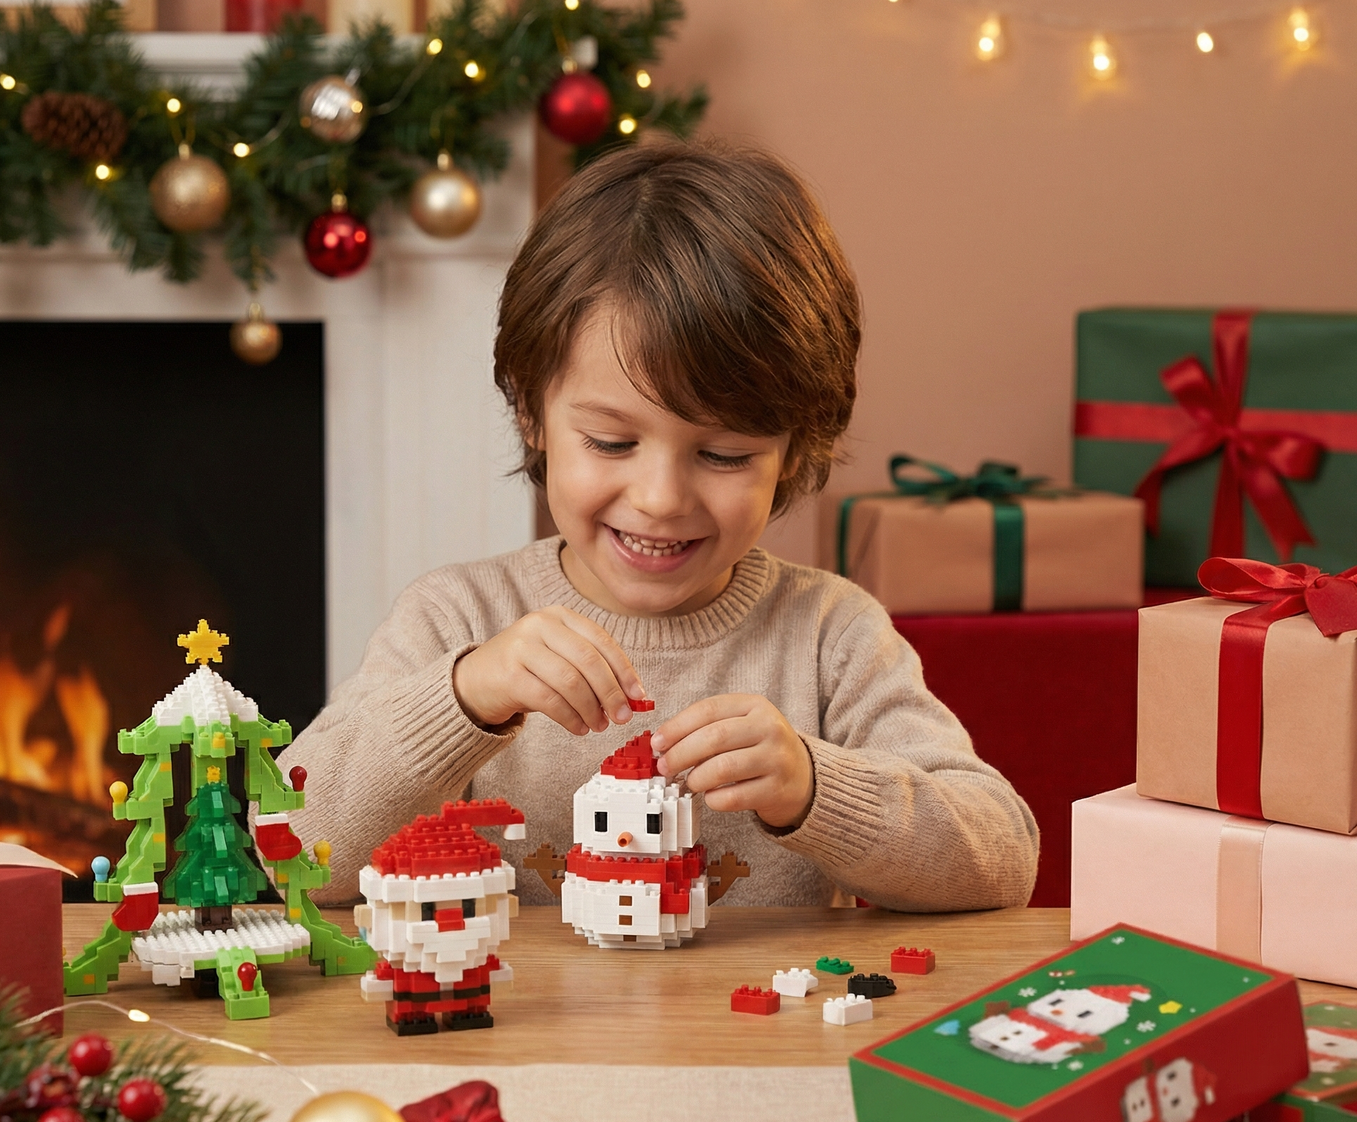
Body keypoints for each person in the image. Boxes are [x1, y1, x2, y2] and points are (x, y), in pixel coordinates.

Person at [278, 139, 1038, 909]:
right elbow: (292, 846)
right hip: (517, 1028)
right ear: (530, 415)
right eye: (611, 442)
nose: (661, 496)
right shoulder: (458, 619)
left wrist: (813, 786)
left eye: (723, 453)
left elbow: (1001, 857)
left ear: (794, 449)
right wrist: (466, 695)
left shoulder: (828, 636)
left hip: (759, 1030)